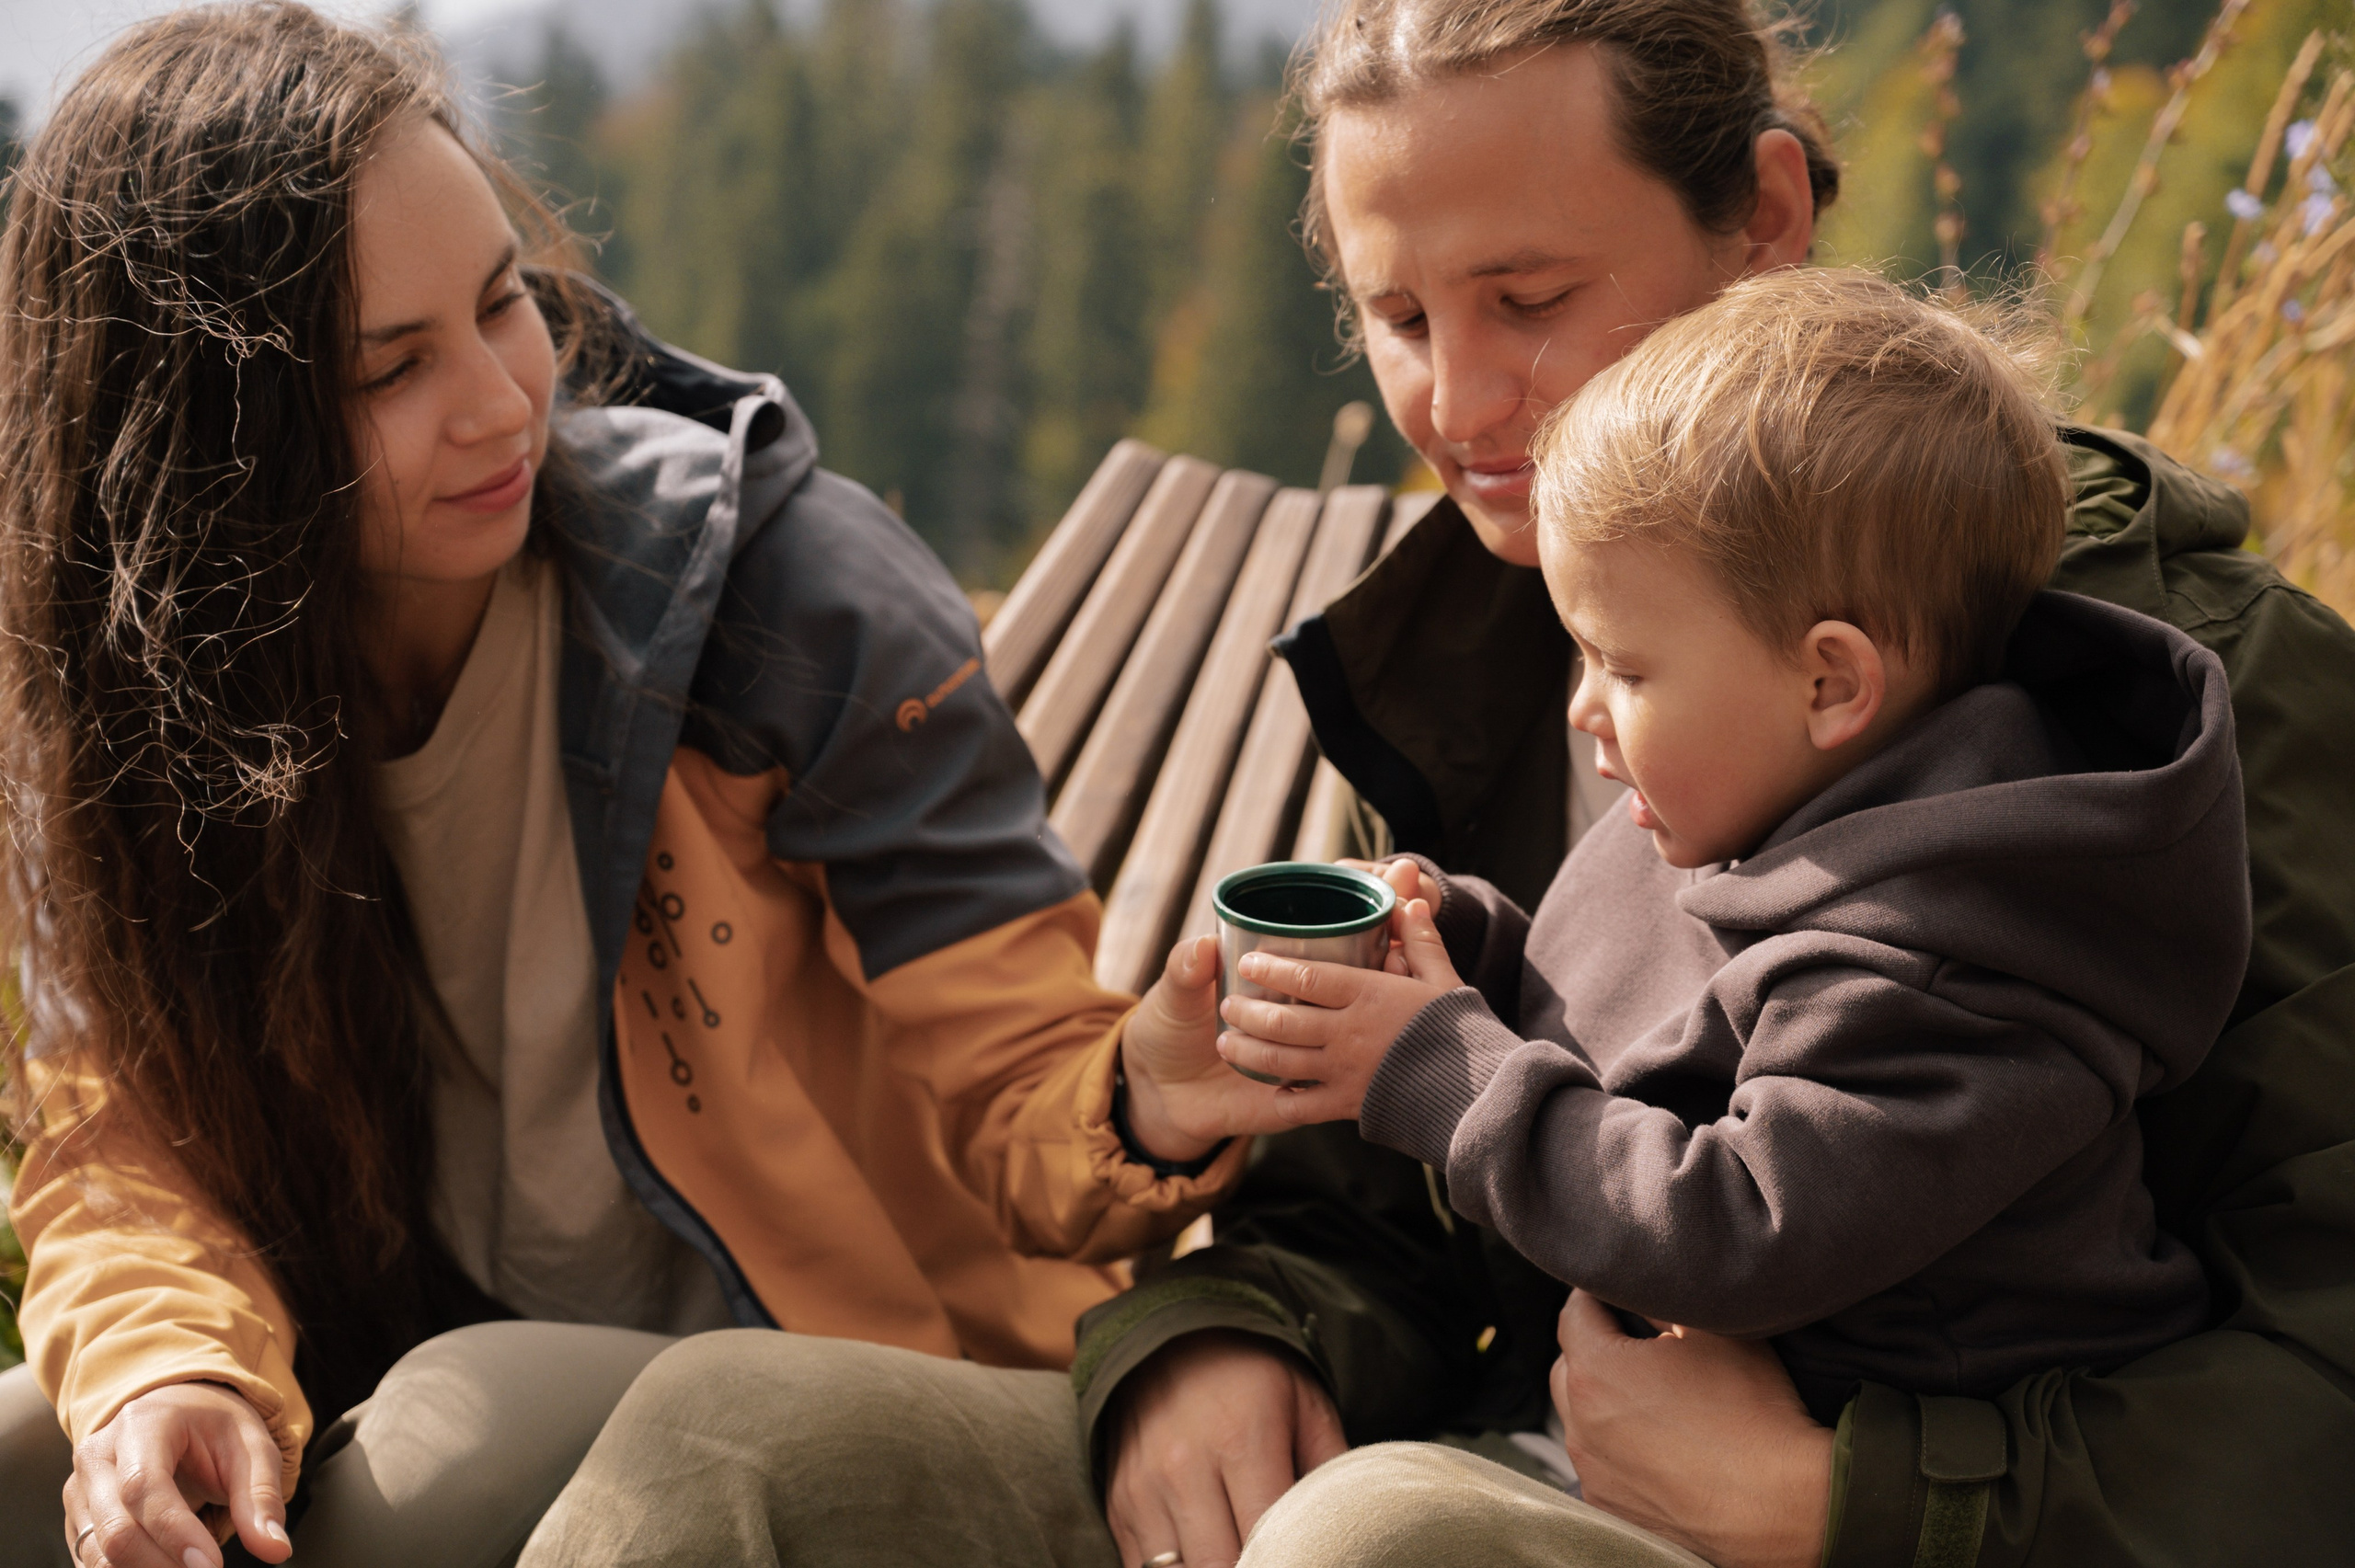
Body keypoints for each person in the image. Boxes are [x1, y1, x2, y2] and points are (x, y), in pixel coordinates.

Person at [520, 2, 2355, 1565]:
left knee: (1371, 1539)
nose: (1461, 401)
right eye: (1398, 318)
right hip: (1500, 1441)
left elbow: (2317, 1347)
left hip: (1890, 1519)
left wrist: (1855, 1497)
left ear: (1763, 218)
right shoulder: (1513, 637)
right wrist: (1226, 1330)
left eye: (1528, 297)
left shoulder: (2179, 689)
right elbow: (1411, 1191)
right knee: (731, 1444)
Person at [0, 7, 1268, 1566]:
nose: (496, 399)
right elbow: (118, 1147)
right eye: (391, 370)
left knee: (439, 1453)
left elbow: (1025, 1100)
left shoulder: (767, 597)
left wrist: (1147, 1086)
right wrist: (163, 1371)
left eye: (502, 305)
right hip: (404, 1333)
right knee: (41, 1452)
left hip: (847, 1379)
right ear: (207, 443)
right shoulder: (121, 712)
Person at [1212, 264, 2247, 1425]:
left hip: (1889, 1490)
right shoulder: (1753, 796)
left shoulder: (1959, 963)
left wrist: (1443, 1071)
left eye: (1625, 665)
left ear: (1827, 681)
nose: (1582, 704)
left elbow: (1730, 1226)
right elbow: (1614, 1038)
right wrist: (1449, 942)